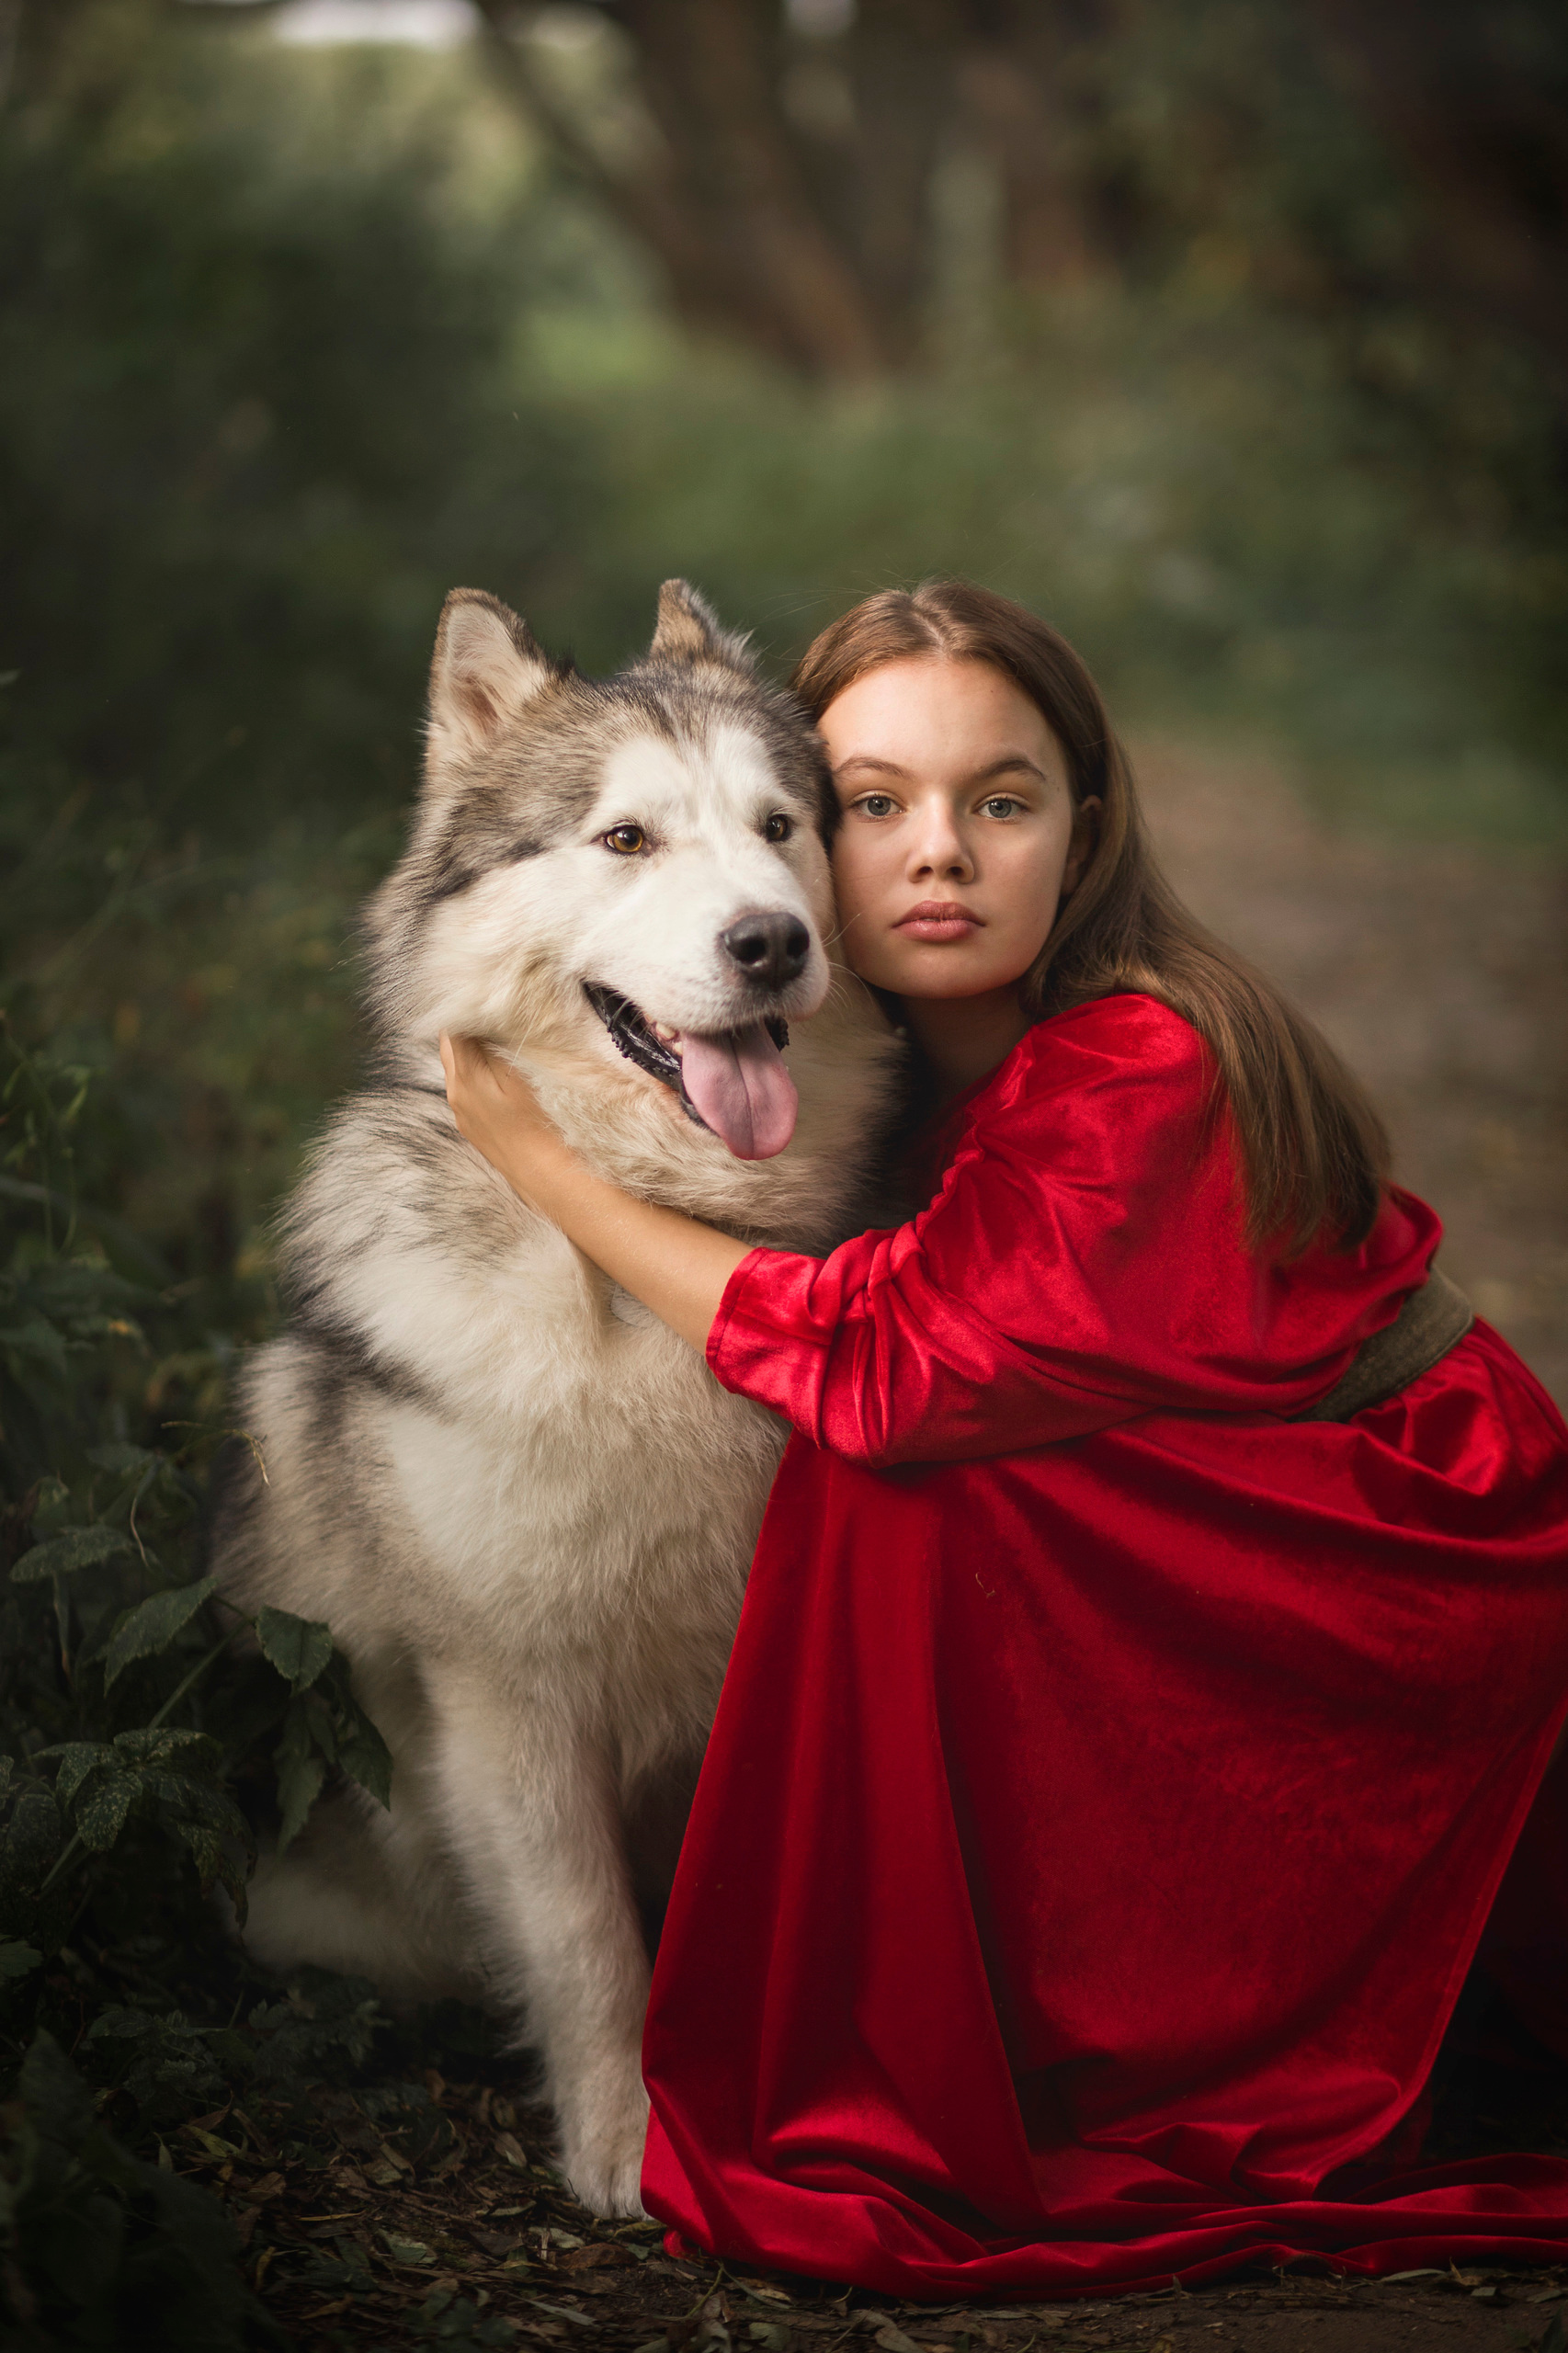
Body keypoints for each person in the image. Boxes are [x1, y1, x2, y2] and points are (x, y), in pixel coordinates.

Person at [440, 580, 1568, 2296]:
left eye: (1002, 801)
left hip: (1407, 1594)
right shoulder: (884, 1065)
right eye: (870, 806)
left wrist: (536, 1161)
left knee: (882, 1473)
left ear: (1088, 831)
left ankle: (953, 2047)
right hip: (1218, 1560)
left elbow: (893, 1370)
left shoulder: (1139, 1065)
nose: (937, 855)